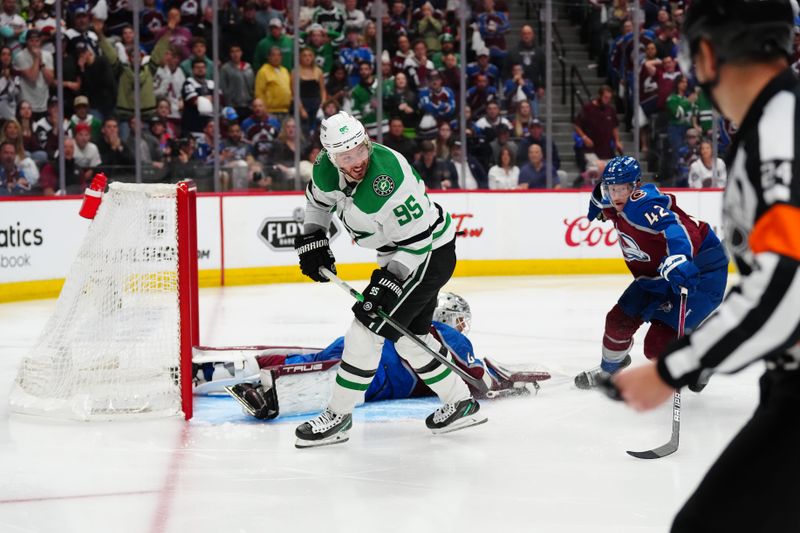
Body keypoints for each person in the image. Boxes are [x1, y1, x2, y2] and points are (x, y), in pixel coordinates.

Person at [612, 2, 800, 531]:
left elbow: (784, 290)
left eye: (691, 54)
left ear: (711, 52)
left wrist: (675, 367)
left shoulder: (780, 132)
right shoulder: (770, 124)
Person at [291, 111, 482, 448]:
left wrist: (391, 279)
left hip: (426, 252)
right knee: (410, 337)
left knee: (365, 329)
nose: (357, 161)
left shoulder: (389, 176)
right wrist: (314, 237)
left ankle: (338, 416)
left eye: (361, 150)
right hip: (395, 249)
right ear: (330, 157)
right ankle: (461, 402)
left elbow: (419, 240)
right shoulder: (324, 170)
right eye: (347, 156)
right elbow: (318, 203)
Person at [195, 293, 550, 420]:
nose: (461, 327)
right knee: (331, 373)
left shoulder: (425, 327)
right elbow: (474, 375)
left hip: (368, 344)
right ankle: (267, 391)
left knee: (313, 357)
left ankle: (213, 372)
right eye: (458, 320)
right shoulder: (449, 336)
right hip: (378, 372)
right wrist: (505, 384)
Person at [574, 155, 728, 391]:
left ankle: (702, 361)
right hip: (657, 275)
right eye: (611, 189)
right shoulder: (612, 199)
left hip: (702, 269)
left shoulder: (641, 205)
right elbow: (600, 197)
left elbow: (675, 228)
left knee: (657, 346)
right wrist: (597, 204)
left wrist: (679, 258)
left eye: (621, 189)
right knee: (617, 322)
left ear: (634, 186)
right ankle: (609, 370)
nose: (615, 196)